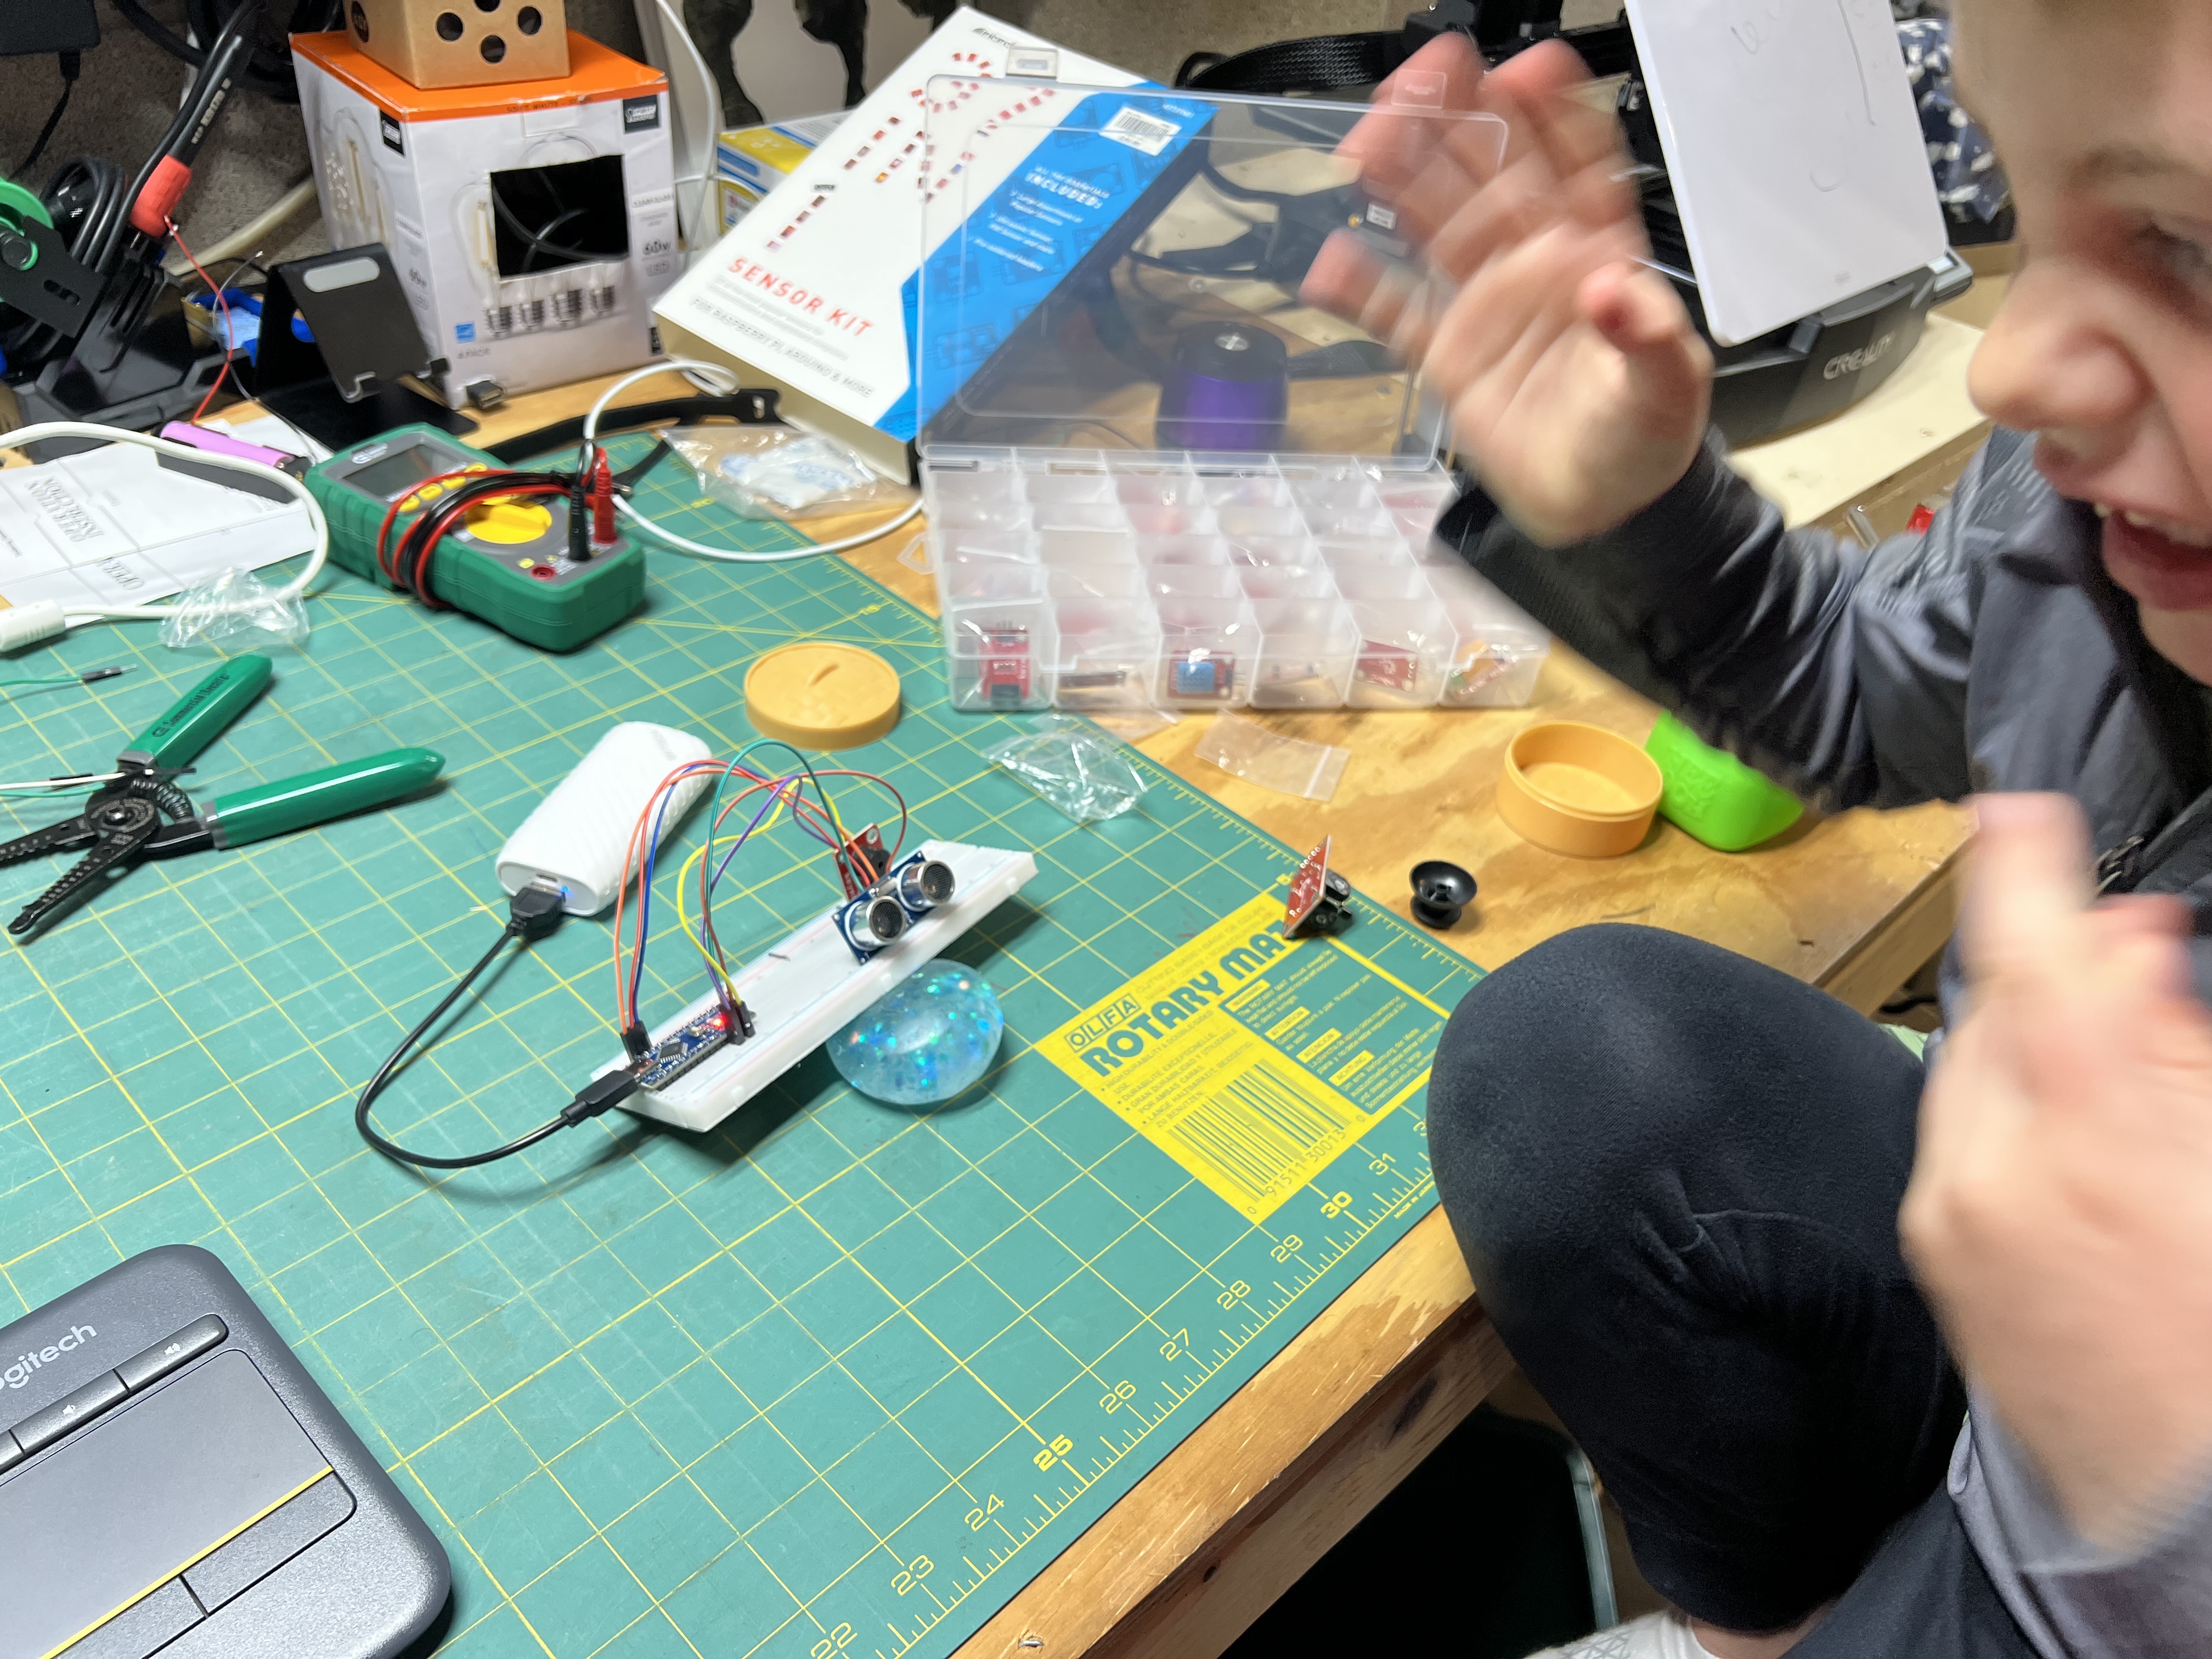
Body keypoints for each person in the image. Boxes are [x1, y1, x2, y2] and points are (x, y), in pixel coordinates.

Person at [1301, 6, 2212, 1656]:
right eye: (2029, 200)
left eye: (2192, 249)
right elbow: (1865, 687)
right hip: (2060, 1345)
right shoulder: (2106, 520)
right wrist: (1647, 513)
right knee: (1576, 1070)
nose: (2010, 363)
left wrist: (2153, 1519)